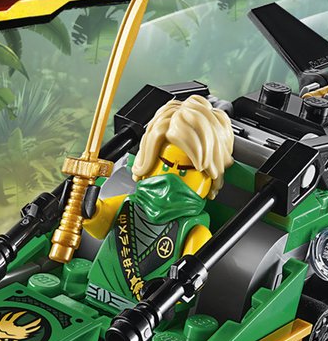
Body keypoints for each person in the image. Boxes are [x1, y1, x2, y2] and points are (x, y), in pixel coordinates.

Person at [82, 94, 234, 318]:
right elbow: (99, 224)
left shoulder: (195, 230)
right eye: (165, 165)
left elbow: (192, 276)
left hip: (152, 316)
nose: (170, 180)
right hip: (100, 291)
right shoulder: (128, 204)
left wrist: (178, 286)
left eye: (185, 171)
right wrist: (88, 209)